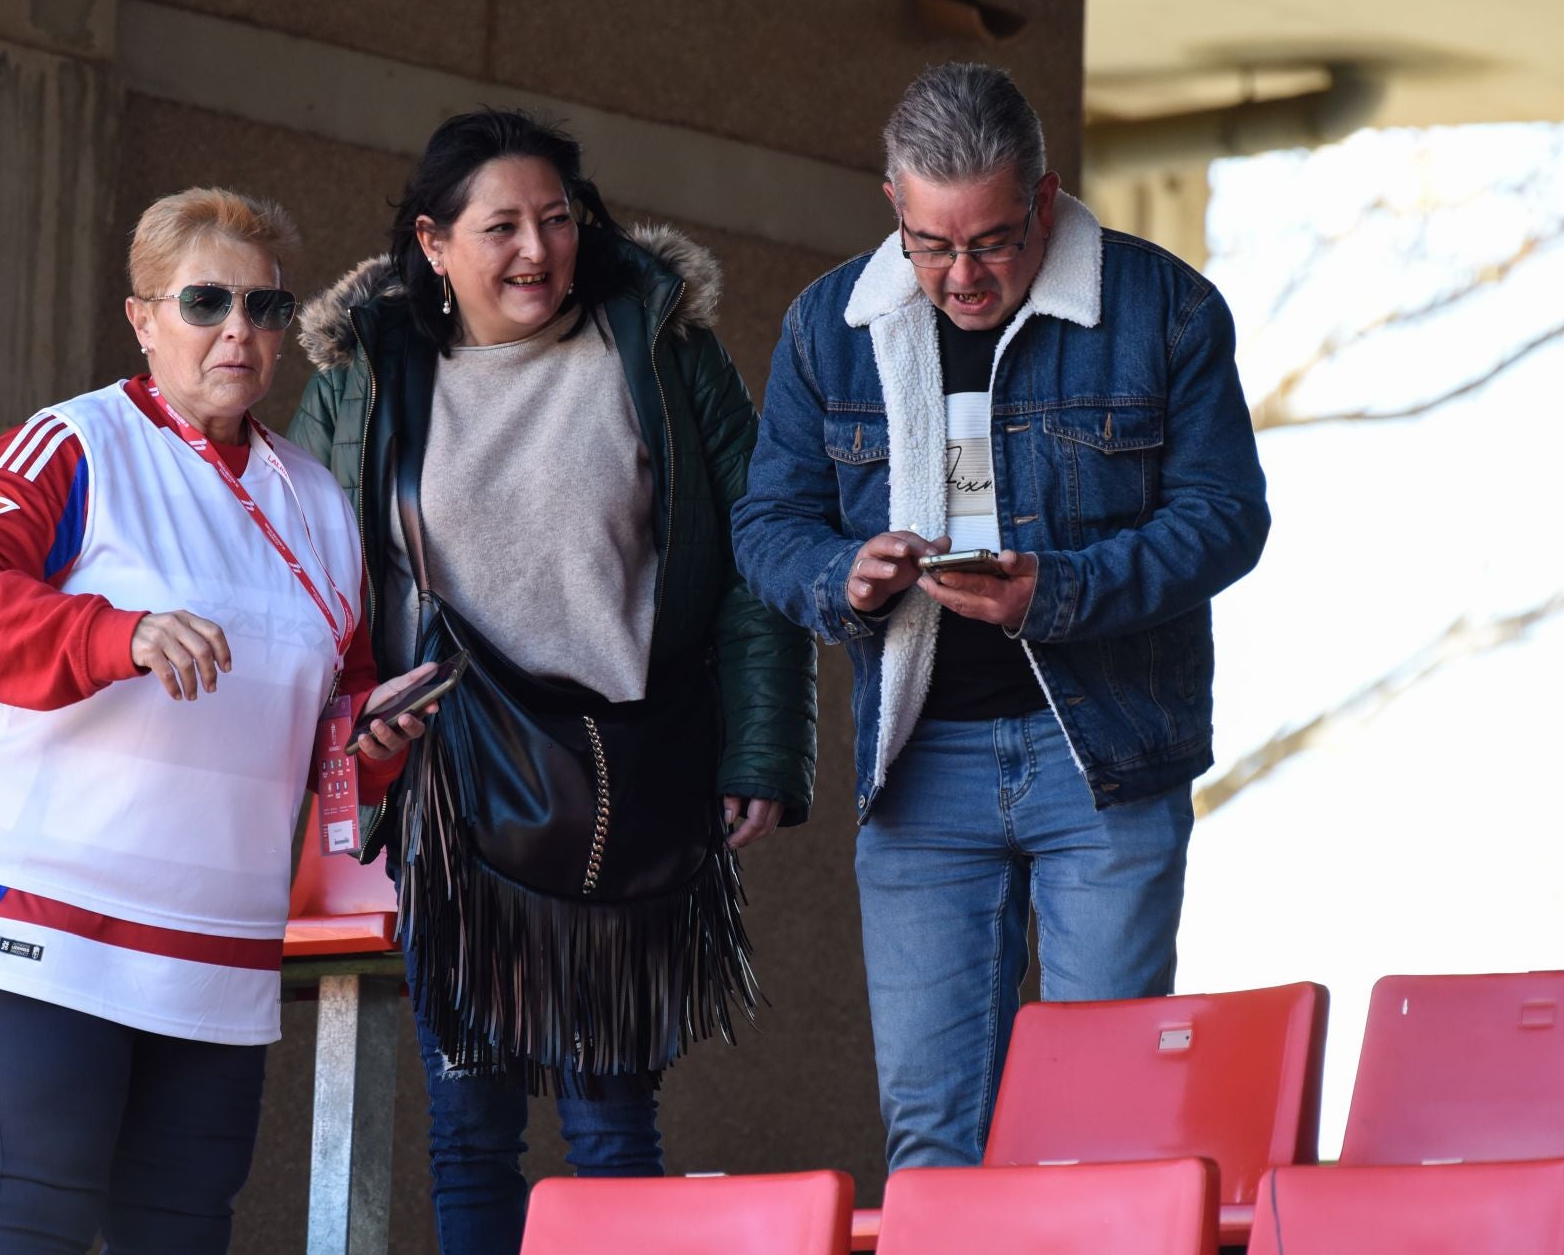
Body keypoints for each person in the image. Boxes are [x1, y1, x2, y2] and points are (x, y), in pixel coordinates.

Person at [289, 109, 817, 1255]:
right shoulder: (365, 380)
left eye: (558, 219)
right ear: (433, 244)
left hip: (630, 781)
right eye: (502, 227)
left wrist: (762, 750)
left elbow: (760, 552)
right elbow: (307, 585)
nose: (537, 251)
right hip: (452, 795)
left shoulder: (662, 350)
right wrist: (349, 731)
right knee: (470, 1133)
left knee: (613, 1131)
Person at [732, 63, 1272, 1171]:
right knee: (933, 1131)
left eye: (993, 240)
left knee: (1106, 1126)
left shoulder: (1163, 305)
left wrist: (1055, 592)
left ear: (1047, 195)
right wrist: (848, 573)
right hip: (920, 761)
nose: (964, 274)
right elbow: (767, 526)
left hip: (1109, 757)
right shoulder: (829, 327)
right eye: (933, 244)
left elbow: (1226, 519)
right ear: (893, 200)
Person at [0, 186, 436, 1255]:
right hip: (36, 900)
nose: (239, 330)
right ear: (144, 318)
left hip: (220, 935)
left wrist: (369, 745)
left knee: (181, 1230)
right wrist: (115, 636)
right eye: (206, 302)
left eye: (267, 308)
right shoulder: (73, 443)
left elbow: (335, 706)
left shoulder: (320, 502)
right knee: (32, 1212)